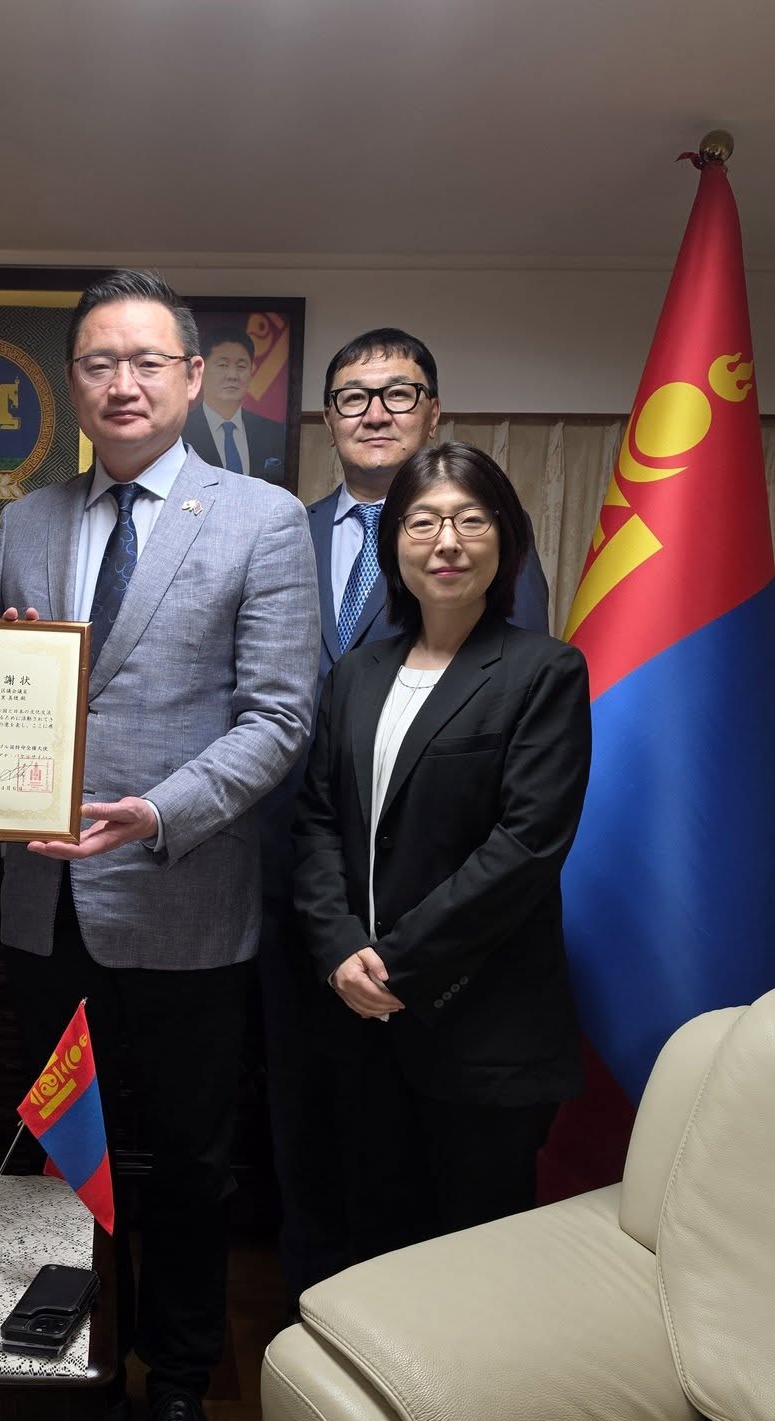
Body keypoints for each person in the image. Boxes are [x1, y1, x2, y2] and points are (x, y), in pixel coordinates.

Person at [0, 269, 318, 1421]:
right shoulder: (26, 519)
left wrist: (158, 813)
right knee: (62, 1146)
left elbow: (278, 716)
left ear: (188, 377)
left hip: (180, 900)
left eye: (144, 362)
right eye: (96, 363)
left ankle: (174, 1383)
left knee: (184, 1163)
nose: (120, 384)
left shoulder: (261, 520)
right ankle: (69, 1361)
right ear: (71, 384)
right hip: (41, 908)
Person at [258, 327, 552, 1304]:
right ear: (328, 418)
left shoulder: (489, 562)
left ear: (432, 411)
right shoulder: (282, 534)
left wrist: (404, 950)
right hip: (297, 896)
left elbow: (511, 772)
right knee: (316, 1138)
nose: (375, 411)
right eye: (354, 396)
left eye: (399, 392)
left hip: (441, 929)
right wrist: (332, 927)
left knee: (445, 1185)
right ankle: (317, 1330)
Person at [292, 441, 590, 1265]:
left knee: (472, 1266)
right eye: (422, 522)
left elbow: (526, 846)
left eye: (470, 521)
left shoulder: (544, 672)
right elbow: (317, 822)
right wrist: (339, 948)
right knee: (369, 1247)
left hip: (482, 1027)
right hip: (358, 1022)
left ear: (505, 539)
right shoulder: (355, 674)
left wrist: (397, 964)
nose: (446, 542)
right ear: (394, 544)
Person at [182, 320, 289, 482]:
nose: (232, 375)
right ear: (200, 370)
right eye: (222, 365)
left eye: (241, 366)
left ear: (251, 372)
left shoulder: (274, 432)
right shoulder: (181, 431)